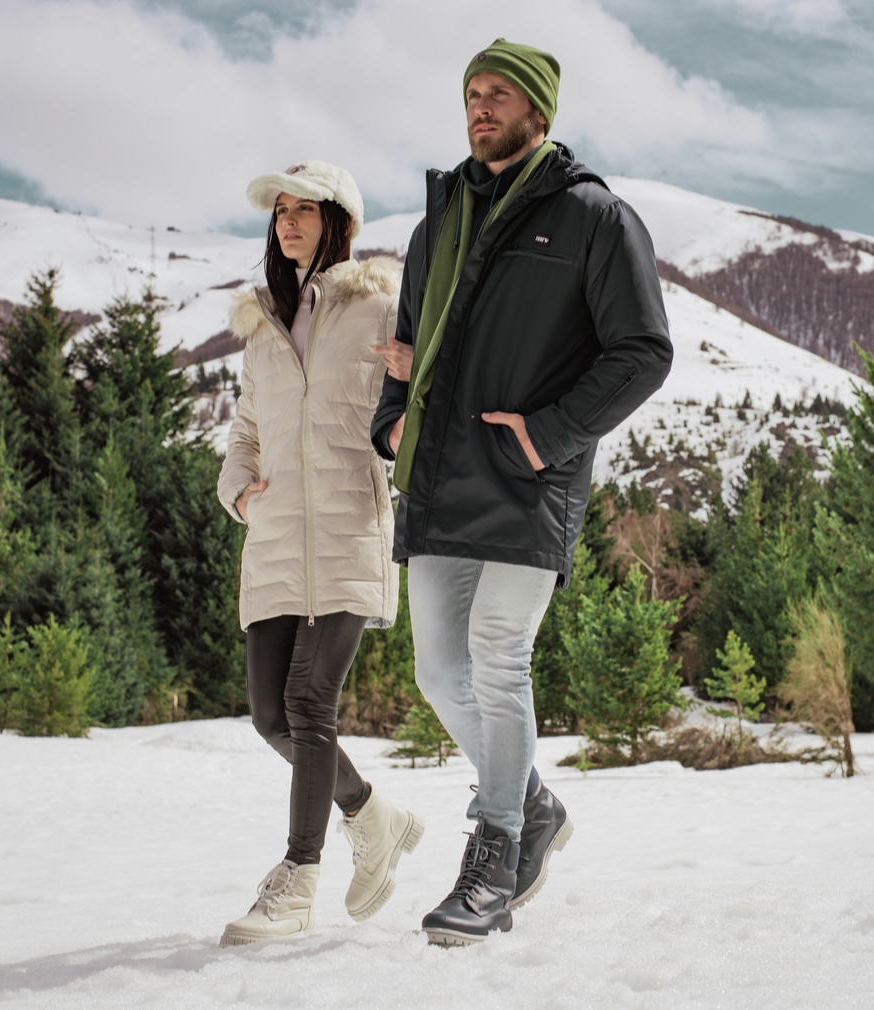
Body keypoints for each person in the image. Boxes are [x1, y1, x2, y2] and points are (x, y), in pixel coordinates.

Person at [370, 39, 672, 946]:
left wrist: (548, 433)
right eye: (472, 91)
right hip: (438, 477)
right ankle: (532, 805)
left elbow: (642, 351)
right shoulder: (436, 224)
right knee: (438, 673)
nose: (481, 104)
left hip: (529, 478)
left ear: (538, 110)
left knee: (499, 660)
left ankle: (494, 856)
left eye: (500, 92)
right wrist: (391, 421)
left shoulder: (592, 216)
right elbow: (405, 348)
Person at [216, 161, 423, 946]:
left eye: (305, 209)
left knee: (310, 703)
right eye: (280, 210)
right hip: (273, 538)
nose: (288, 221)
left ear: (341, 221)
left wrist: (417, 384)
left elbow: (416, 409)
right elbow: (245, 431)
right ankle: (371, 814)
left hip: (347, 531)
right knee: (271, 715)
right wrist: (239, 492)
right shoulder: (262, 325)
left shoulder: (381, 307)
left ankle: (298, 880)